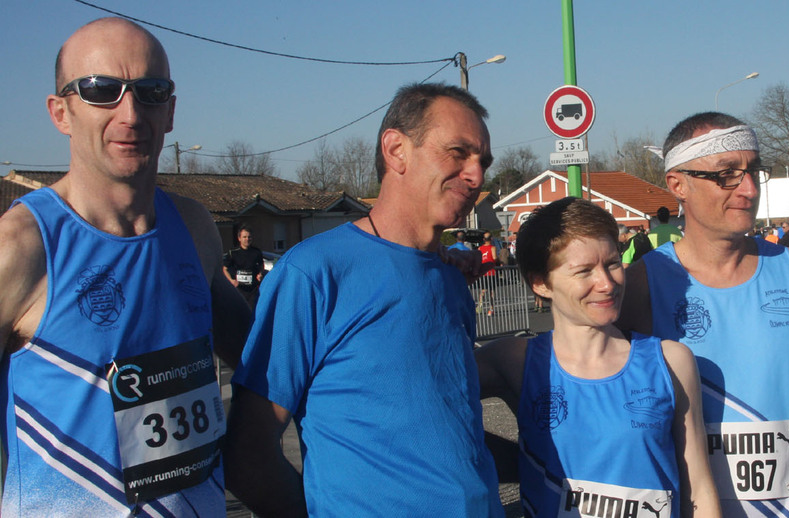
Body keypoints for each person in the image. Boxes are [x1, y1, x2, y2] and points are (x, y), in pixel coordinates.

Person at [0, 18, 251, 516]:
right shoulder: (21, 246)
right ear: (61, 112)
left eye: (151, 92)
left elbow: (261, 358)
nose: (131, 114)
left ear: (170, 111)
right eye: (101, 91)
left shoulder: (193, 227)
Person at [224, 83, 503, 517]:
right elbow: (248, 456)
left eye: (482, 161)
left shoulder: (451, 278)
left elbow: (444, 436)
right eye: (458, 153)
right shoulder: (314, 272)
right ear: (396, 150)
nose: (476, 176)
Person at [617, 112, 789, 516]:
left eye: (753, 171)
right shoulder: (640, 285)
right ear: (678, 184)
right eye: (726, 175)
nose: (749, 189)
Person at [476, 197, 721, 517]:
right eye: (584, 271)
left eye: (613, 263)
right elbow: (421, 402)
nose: (606, 283)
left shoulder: (671, 361)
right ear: (540, 283)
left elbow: (699, 488)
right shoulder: (516, 360)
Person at [223, 224, 265, 309]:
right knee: (239, 311)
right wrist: (231, 280)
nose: (247, 239)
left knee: (251, 311)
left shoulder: (256, 252)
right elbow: (224, 269)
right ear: (239, 238)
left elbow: (261, 265)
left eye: (249, 237)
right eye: (244, 237)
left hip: (252, 289)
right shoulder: (233, 252)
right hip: (239, 289)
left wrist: (260, 274)